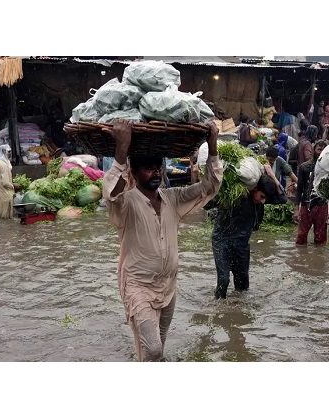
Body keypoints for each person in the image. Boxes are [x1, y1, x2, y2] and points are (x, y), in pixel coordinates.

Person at [102, 120, 223, 361]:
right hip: (138, 286)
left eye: (158, 167)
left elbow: (210, 186)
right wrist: (122, 150)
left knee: (158, 348)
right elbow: (111, 194)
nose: (156, 172)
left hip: (168, 285)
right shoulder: (127, 202)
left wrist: (213, 144)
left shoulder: (172, 199)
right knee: (154, 349)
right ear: (134, 172)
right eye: (148, 168)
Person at [212, 174, 278, 299]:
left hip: (241, 244)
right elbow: (210, 201)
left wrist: (272, 175)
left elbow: (282, 198)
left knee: (243, 284)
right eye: (262, 196)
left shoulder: (258, 202)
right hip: (222, 241)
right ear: (254, 189)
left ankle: (239, 309)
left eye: (265, 198)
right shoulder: (236, 195)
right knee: (224, 280)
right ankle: (217, 310)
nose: (263, 201)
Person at [294, 140, 329, 245]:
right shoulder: (304, 167)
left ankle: (319, 259)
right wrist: (296, 210)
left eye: (323, 150)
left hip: (322, 205)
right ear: (313, 151)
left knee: (320, 238)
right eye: (319, 149)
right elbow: (299, 189)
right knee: (301, 237)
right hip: (306, 204)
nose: (321, 152)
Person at [0, 145, 15, 219]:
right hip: (4, 195)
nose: (10, 153)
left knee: (0, 218)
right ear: (3, 151)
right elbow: (5, 183)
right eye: (8, 152)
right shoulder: (3, 164)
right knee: (6, 220)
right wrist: (13, 186)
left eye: (10, 151)